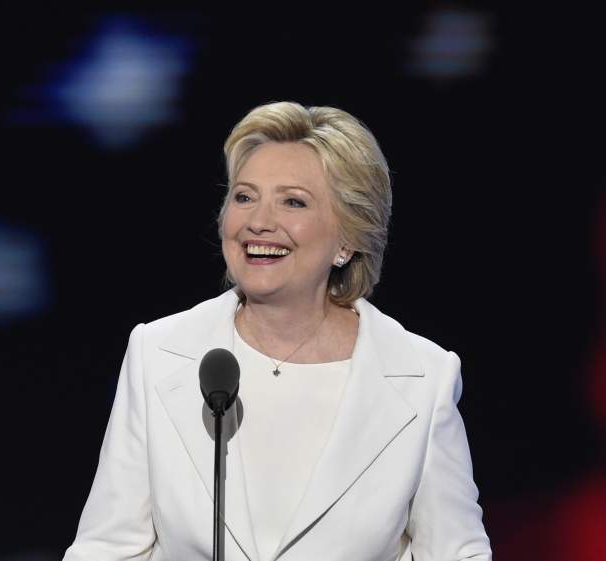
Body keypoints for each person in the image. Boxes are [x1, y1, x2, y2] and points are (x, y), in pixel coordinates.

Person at [63, 102, 491, 561]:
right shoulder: (158, 354)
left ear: (347, 238)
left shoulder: (424, 378)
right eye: (244, 197)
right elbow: (105, 550)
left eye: (293, 201)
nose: (258, 222)